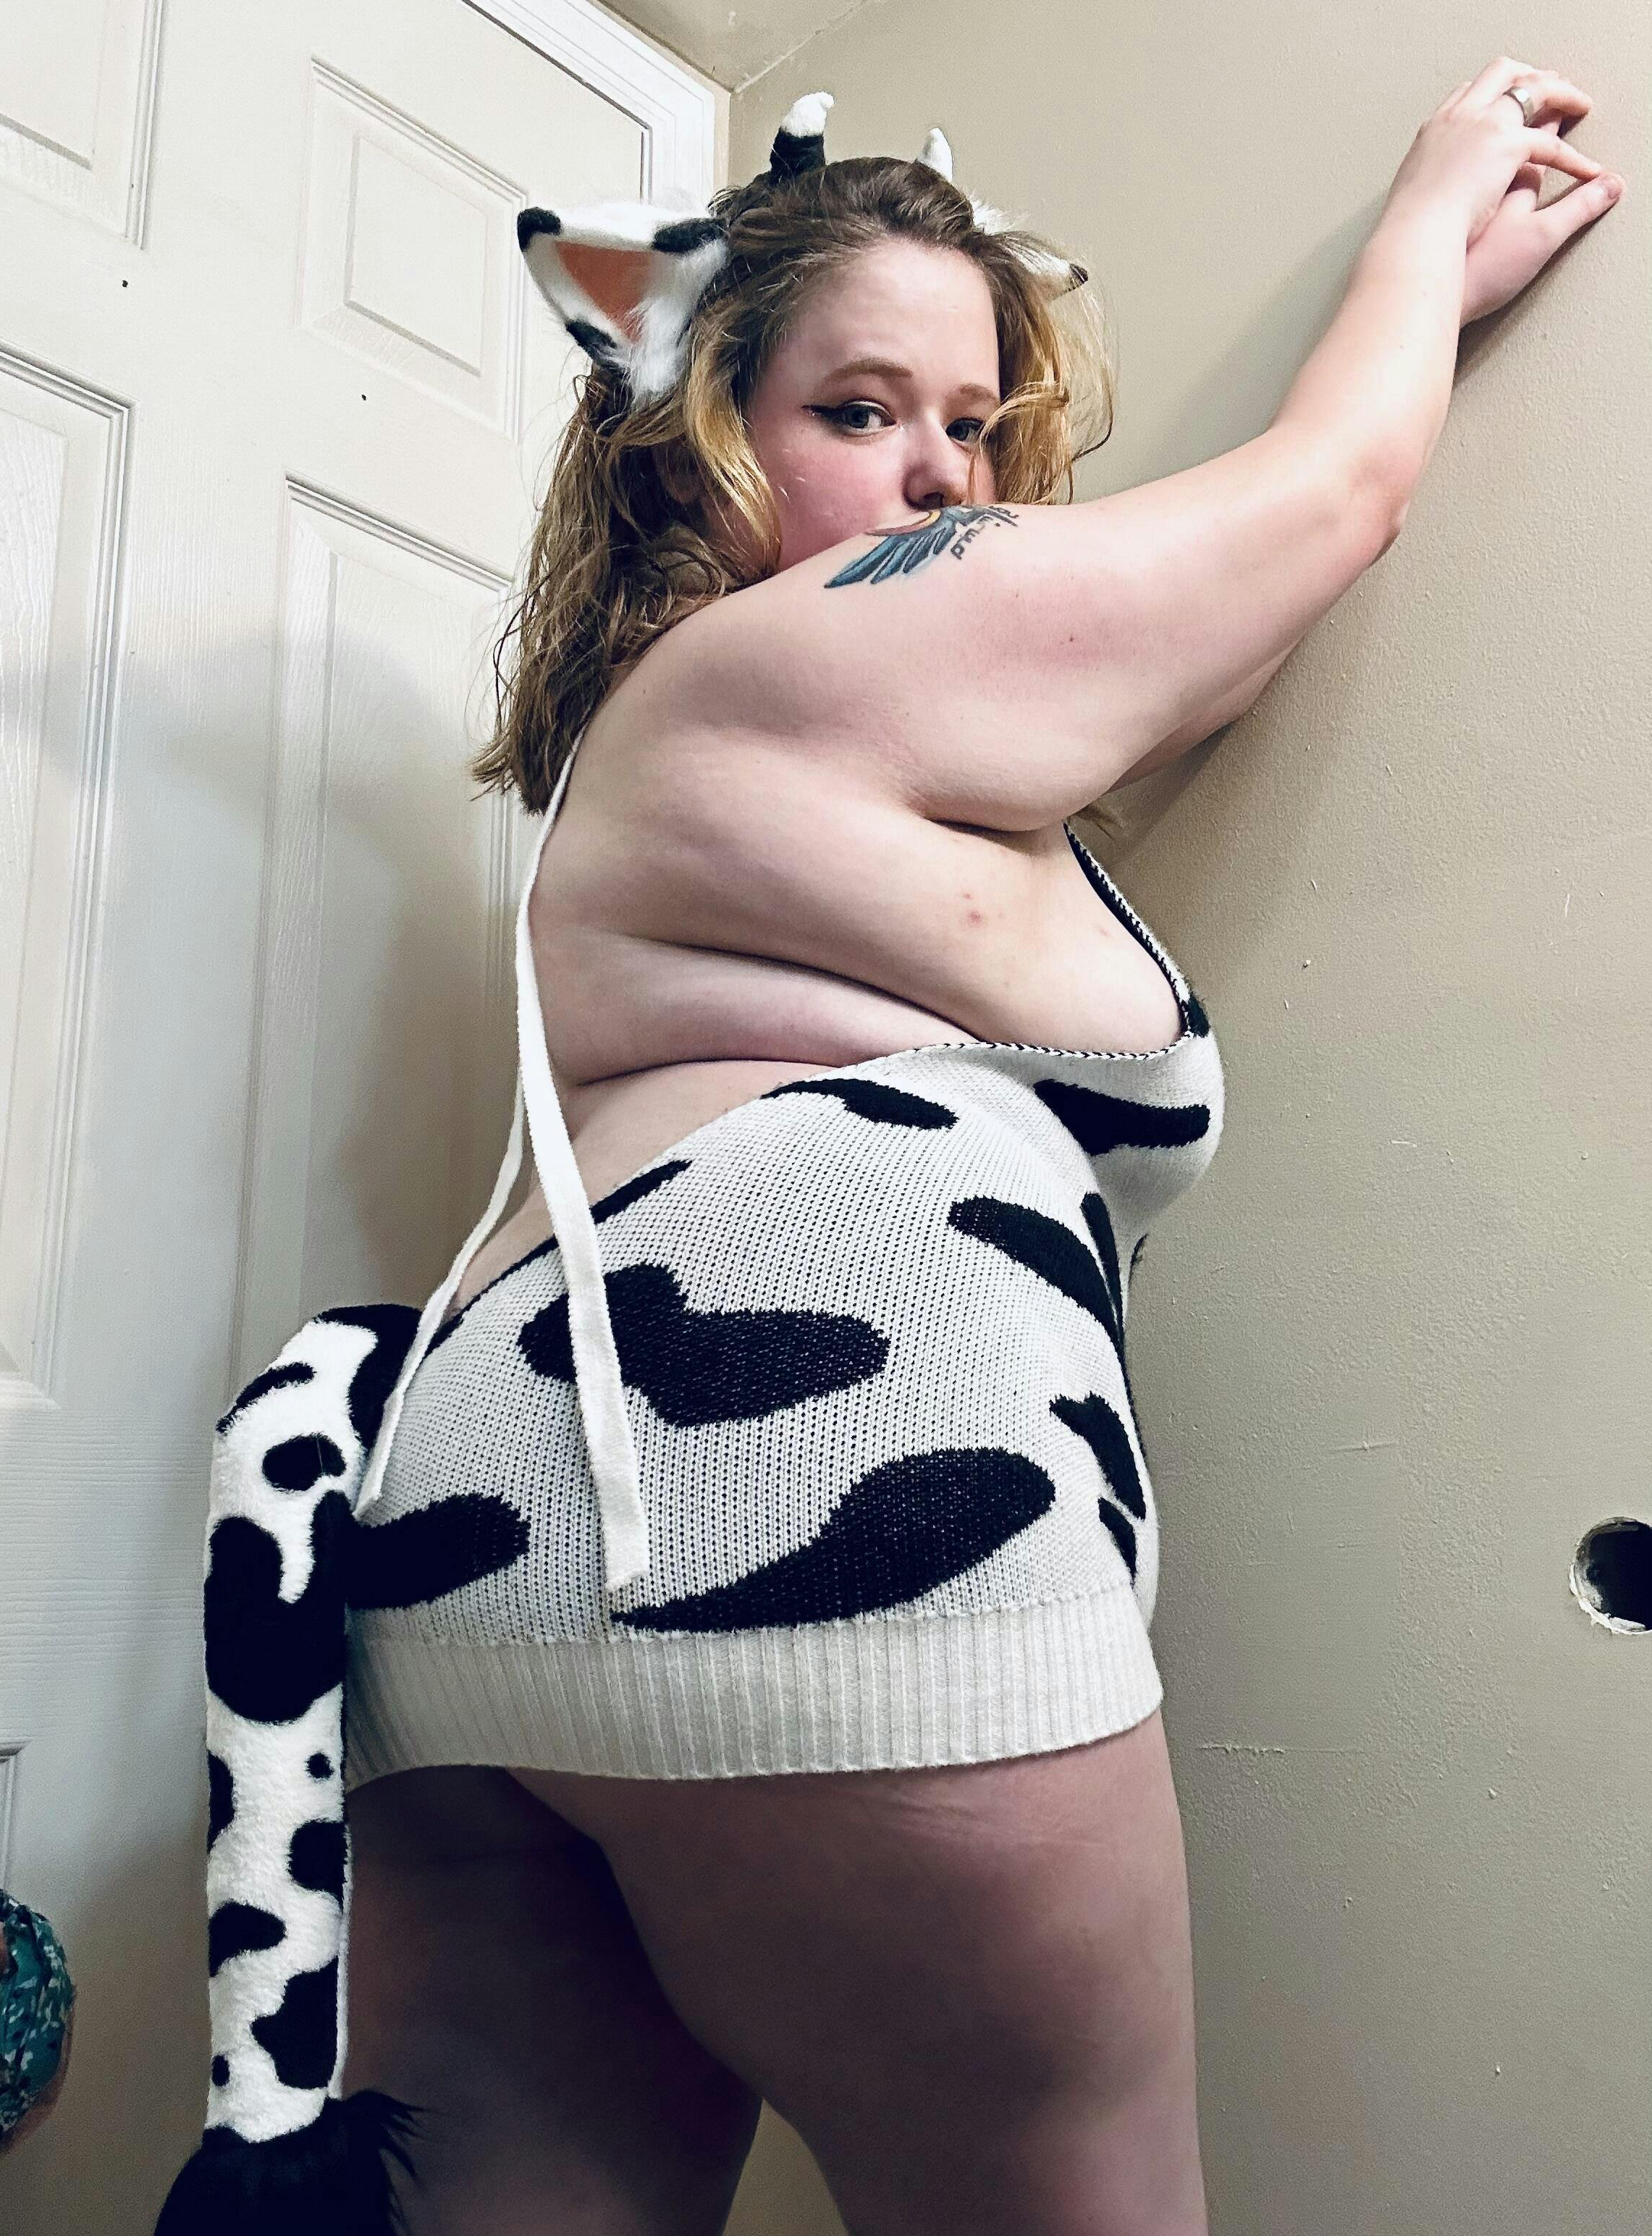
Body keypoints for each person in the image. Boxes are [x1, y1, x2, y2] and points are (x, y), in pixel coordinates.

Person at [164, 58, 1621, 2236]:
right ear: (701, 438)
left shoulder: (669, 747)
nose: (943, 473)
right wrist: (1427, 227)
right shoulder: (815, 651)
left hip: (464, 1540)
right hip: (825, 1478)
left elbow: (1184, 667)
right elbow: (1322, 503)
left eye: (973, 422)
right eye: (857, 410)